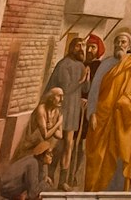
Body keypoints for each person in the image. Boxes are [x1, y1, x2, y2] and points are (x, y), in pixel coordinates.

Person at [85, 30, 131, 191]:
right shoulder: (105, 64)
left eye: (123, 42)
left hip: (120, 120)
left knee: (116, 159)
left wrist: (124, 102)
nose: (119, 45)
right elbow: (94, 90)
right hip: (101, 117)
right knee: (95, 159)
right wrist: (92, 113)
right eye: (117, 42)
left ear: (129, 46)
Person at [45, 36, 91, 189]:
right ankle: (48, 176)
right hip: (61, 110)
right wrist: (81, 80)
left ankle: (62, 181)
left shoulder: (81, 65)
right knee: (54, 145)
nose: (82, 49)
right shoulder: (64, 65)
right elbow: (65, 89)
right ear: (72, 48)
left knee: (68, 145)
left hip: (73, 111)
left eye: (83, 46)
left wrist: (87, 79)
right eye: (78, 46)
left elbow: (85, 89)